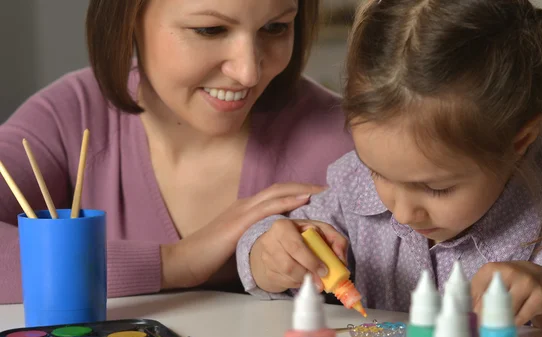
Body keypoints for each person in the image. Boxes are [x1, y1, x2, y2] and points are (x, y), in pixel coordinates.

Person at [237, 0, 542, 332]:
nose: (403, 212)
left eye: (435, 188)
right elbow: (274, 242)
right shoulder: (355, 188)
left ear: (519, 141)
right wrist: (269, 257)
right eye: (378, 172)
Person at [0, 0, 354, 304]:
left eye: (275, 27)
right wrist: (174, 263)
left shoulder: (345, 146)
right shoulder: (70, 117)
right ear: (129, 19)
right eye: (210, 29)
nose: (248, 72)